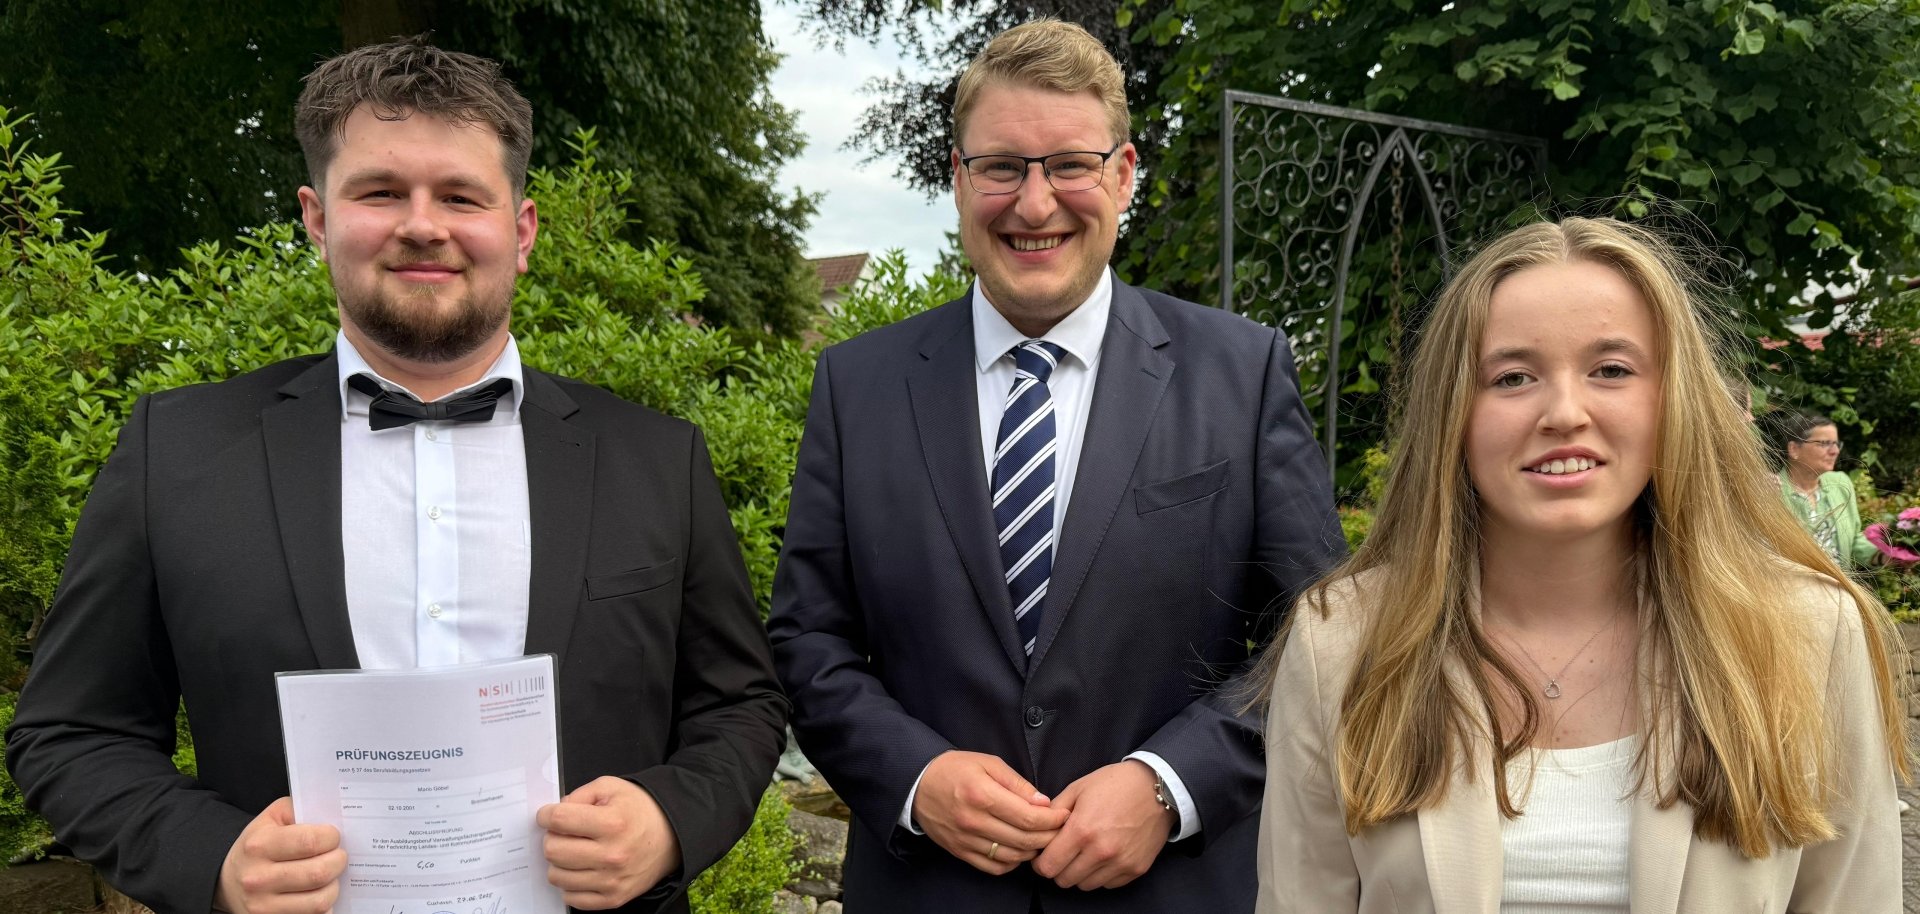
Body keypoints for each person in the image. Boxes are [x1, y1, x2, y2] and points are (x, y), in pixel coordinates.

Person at [4, 39, 786, 914]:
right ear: (317, 217)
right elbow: (70, 731)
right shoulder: (176, 450)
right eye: (380, 192)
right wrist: (213, 857)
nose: (423, 224)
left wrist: (669, 819)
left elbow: (741, 704)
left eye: (461, 195)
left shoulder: (656, 457)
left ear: (520, 230)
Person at [767, 19, 1344, 914]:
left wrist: (1168, 783)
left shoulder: (1241, 371)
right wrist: (916, 775)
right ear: (958, 181)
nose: (1035, 205)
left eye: (1070, 164)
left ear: (1121, 175)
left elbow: (1321, 637)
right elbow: (809, 640)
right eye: (1001, 167)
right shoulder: (858, 386)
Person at [1255, 217, 1908, 912]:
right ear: (1453, 412)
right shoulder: (1343, 641)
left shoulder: (1809, 632)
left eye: (1612, 370)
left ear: (1672, 398)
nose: (1564, 412)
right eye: (1512, 377)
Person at [1775, 410, 1880, 569]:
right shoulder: (1771, 492)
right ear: (1794, 449)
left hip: (1839, 589)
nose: (1835, 451)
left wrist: (1882, 556)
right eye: (1824, 444)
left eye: (1836, 444)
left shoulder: (1840, 484)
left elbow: (1853, 540)